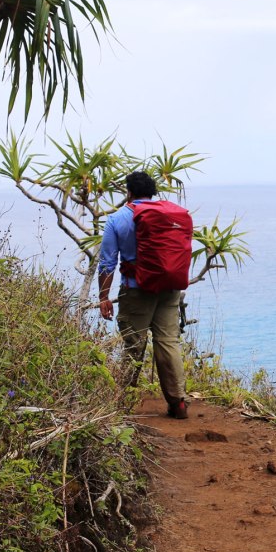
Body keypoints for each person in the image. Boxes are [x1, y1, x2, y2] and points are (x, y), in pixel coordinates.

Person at [98, 171, 189, 419]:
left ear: (128, 192)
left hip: (136, 290)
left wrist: (103, 296)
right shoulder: (171, 213)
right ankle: (178, 402)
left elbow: (107, 263)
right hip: (170, 289)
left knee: (133, 344)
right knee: (169, 342)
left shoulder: (118, 219)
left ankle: (123, 403)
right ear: (153, 192)